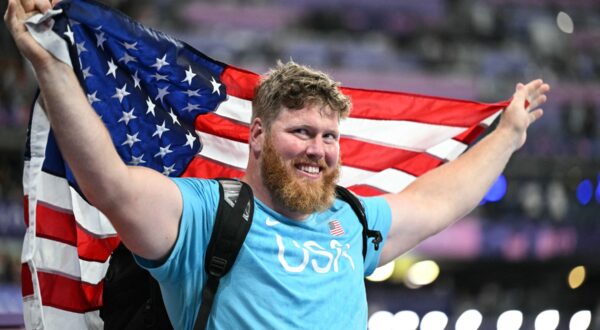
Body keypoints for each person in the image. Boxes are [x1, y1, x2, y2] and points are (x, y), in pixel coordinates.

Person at [5, 0, 550, 329]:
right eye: (302, 133)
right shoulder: (204, 216)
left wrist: (507, 136)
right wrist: (51, 68)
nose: (319, 149)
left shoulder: (353, 222)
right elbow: (111, 184)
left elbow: (438, 199)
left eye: (330, 136)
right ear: (259, 136)